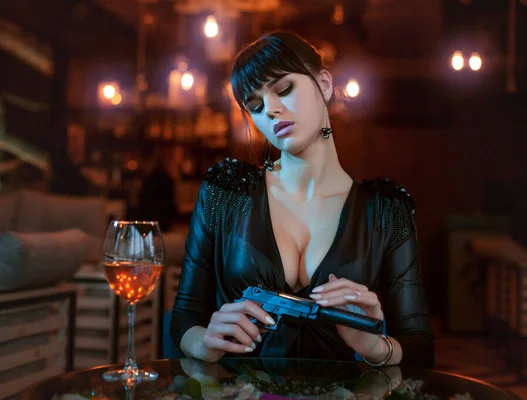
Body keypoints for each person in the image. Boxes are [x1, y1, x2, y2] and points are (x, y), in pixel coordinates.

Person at [171, 32, 434, 368]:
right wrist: (204, 342)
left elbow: (420, 345)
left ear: (324, 84)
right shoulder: (226, 193)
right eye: (256, 106)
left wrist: (377, 347)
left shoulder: (385, 210)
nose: (272, 111)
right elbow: (184, 316)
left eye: (284, 90)